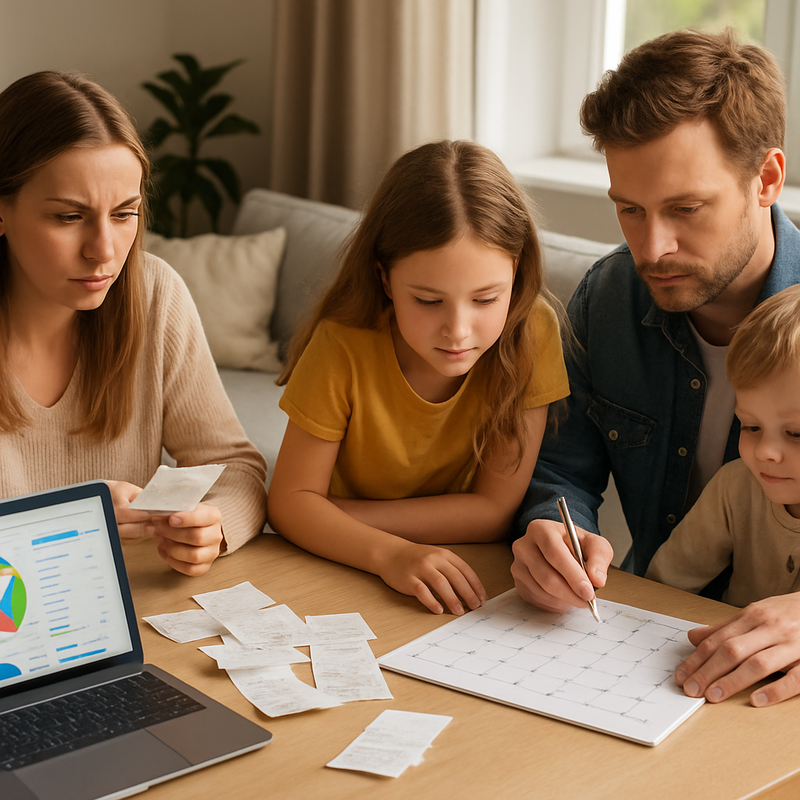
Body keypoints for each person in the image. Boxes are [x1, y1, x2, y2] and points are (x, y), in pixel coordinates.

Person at [509, 28, 800, 706]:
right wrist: (553, 531)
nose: (652, 247)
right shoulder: (608, 298)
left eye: (685, 209)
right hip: (647, 652)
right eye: (629, 210)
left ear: (766, 179)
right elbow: (561, 470)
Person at [267, 140, 569, 615]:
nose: (458, 330)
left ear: (518, 271)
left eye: (487, 299)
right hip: (338, 563)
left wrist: (323, 513)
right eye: (428, 301)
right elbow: (290, 505)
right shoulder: (342, 343)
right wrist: (389, 551)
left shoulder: (534, 331)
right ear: (385, 281)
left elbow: (493, 512)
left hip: (448, 567)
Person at [0, 70, 267, 576]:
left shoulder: (155, 295)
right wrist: (74, 519)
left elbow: (238, 468)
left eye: (125, 214)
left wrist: (213, 526)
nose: (104, 251)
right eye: (67, 217)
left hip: (133, 620)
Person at [646, 285, 800, 704]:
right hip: (724, 690)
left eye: (796, 433)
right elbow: (662, 589)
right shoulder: (736, 487)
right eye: (750, 427)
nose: (765, 452)